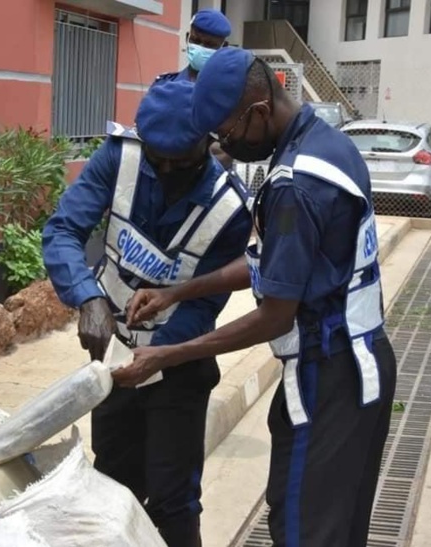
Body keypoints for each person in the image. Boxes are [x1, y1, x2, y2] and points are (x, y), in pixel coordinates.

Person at [118, 47, 398, 547]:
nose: (224, 146)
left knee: (302, 529)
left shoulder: (295, 185)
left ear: (260, 111)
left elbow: (275, 316)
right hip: (361, 364)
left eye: (227, 133)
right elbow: (273, 266)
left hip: (329, 373)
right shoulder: (328, 145)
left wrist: (167, 354)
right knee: (338, 528)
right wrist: (176, 291)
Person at [41, 79, 252, 547]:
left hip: (179, 366)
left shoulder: (230, 210)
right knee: (112, 488)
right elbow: (62, 231)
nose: (170, 169)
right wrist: (89, 298)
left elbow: (204, 303)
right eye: (160, 158)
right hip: (113, 360)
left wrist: (157, 358)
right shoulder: (119, 158)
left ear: (208, 141)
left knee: (174, 500)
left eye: (183, 159)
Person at [153, 8, 234, 170]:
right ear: (187, 38)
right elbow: (148, 136)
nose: (200, 48)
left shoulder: (230, 95)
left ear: (223, 47)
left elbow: (224, 153)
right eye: (196, 40)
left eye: (209, 45)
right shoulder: (164, 86)